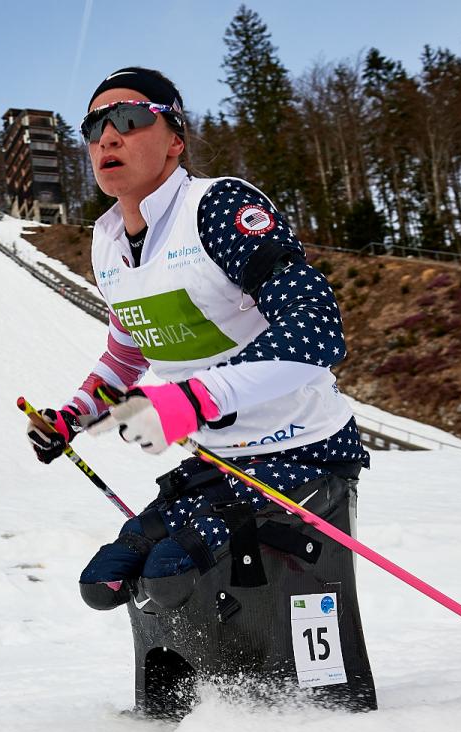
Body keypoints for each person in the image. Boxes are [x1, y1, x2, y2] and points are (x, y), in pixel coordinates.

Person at [26, 66, 370, 611]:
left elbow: (316, 330)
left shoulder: (215, 207)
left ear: (175, 139)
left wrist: (194, 400)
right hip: (218, 463)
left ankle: (280, 693)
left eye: (130, 118)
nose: (107, 138)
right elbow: (128, 349)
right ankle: (195, 698)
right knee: (108, 581)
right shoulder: (107, 240)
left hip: (306, 451)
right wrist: (73, 415)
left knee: (170, 576)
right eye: (93, 128)